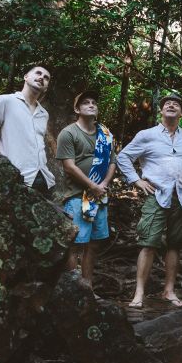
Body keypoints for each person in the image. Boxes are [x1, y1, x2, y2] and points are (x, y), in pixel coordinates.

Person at [117, 93, 182, 308]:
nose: (171, 105)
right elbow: (123, 157)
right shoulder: (147, 135)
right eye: (167, 103)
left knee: (175, 246)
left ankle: (169, 291)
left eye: (177, 104)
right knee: (148, 244)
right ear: (161, 110)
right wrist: (136, 181)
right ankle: (139, 294)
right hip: (156, 195)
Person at [55, 90, 116, 286]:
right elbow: (69, 166)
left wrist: (103, 185)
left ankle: (88, 286)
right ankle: (75, 288)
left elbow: (112, 162)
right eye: (85, 103)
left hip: (99, 197)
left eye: (94, 103)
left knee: (94, 244)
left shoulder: (105, 134)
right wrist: (92, 186)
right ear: (77, 109)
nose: (91, 105)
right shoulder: (69, 133)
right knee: (75, 244)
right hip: (76, 196)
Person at [0, 64, 55, 193]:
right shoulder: (4, 101)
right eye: (38, 73)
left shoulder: (44, 114)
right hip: (17, 180)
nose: (42, 78)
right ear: (26, 77)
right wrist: (2, 172)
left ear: (46, 88)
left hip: (46, 181)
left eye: (46, 78)